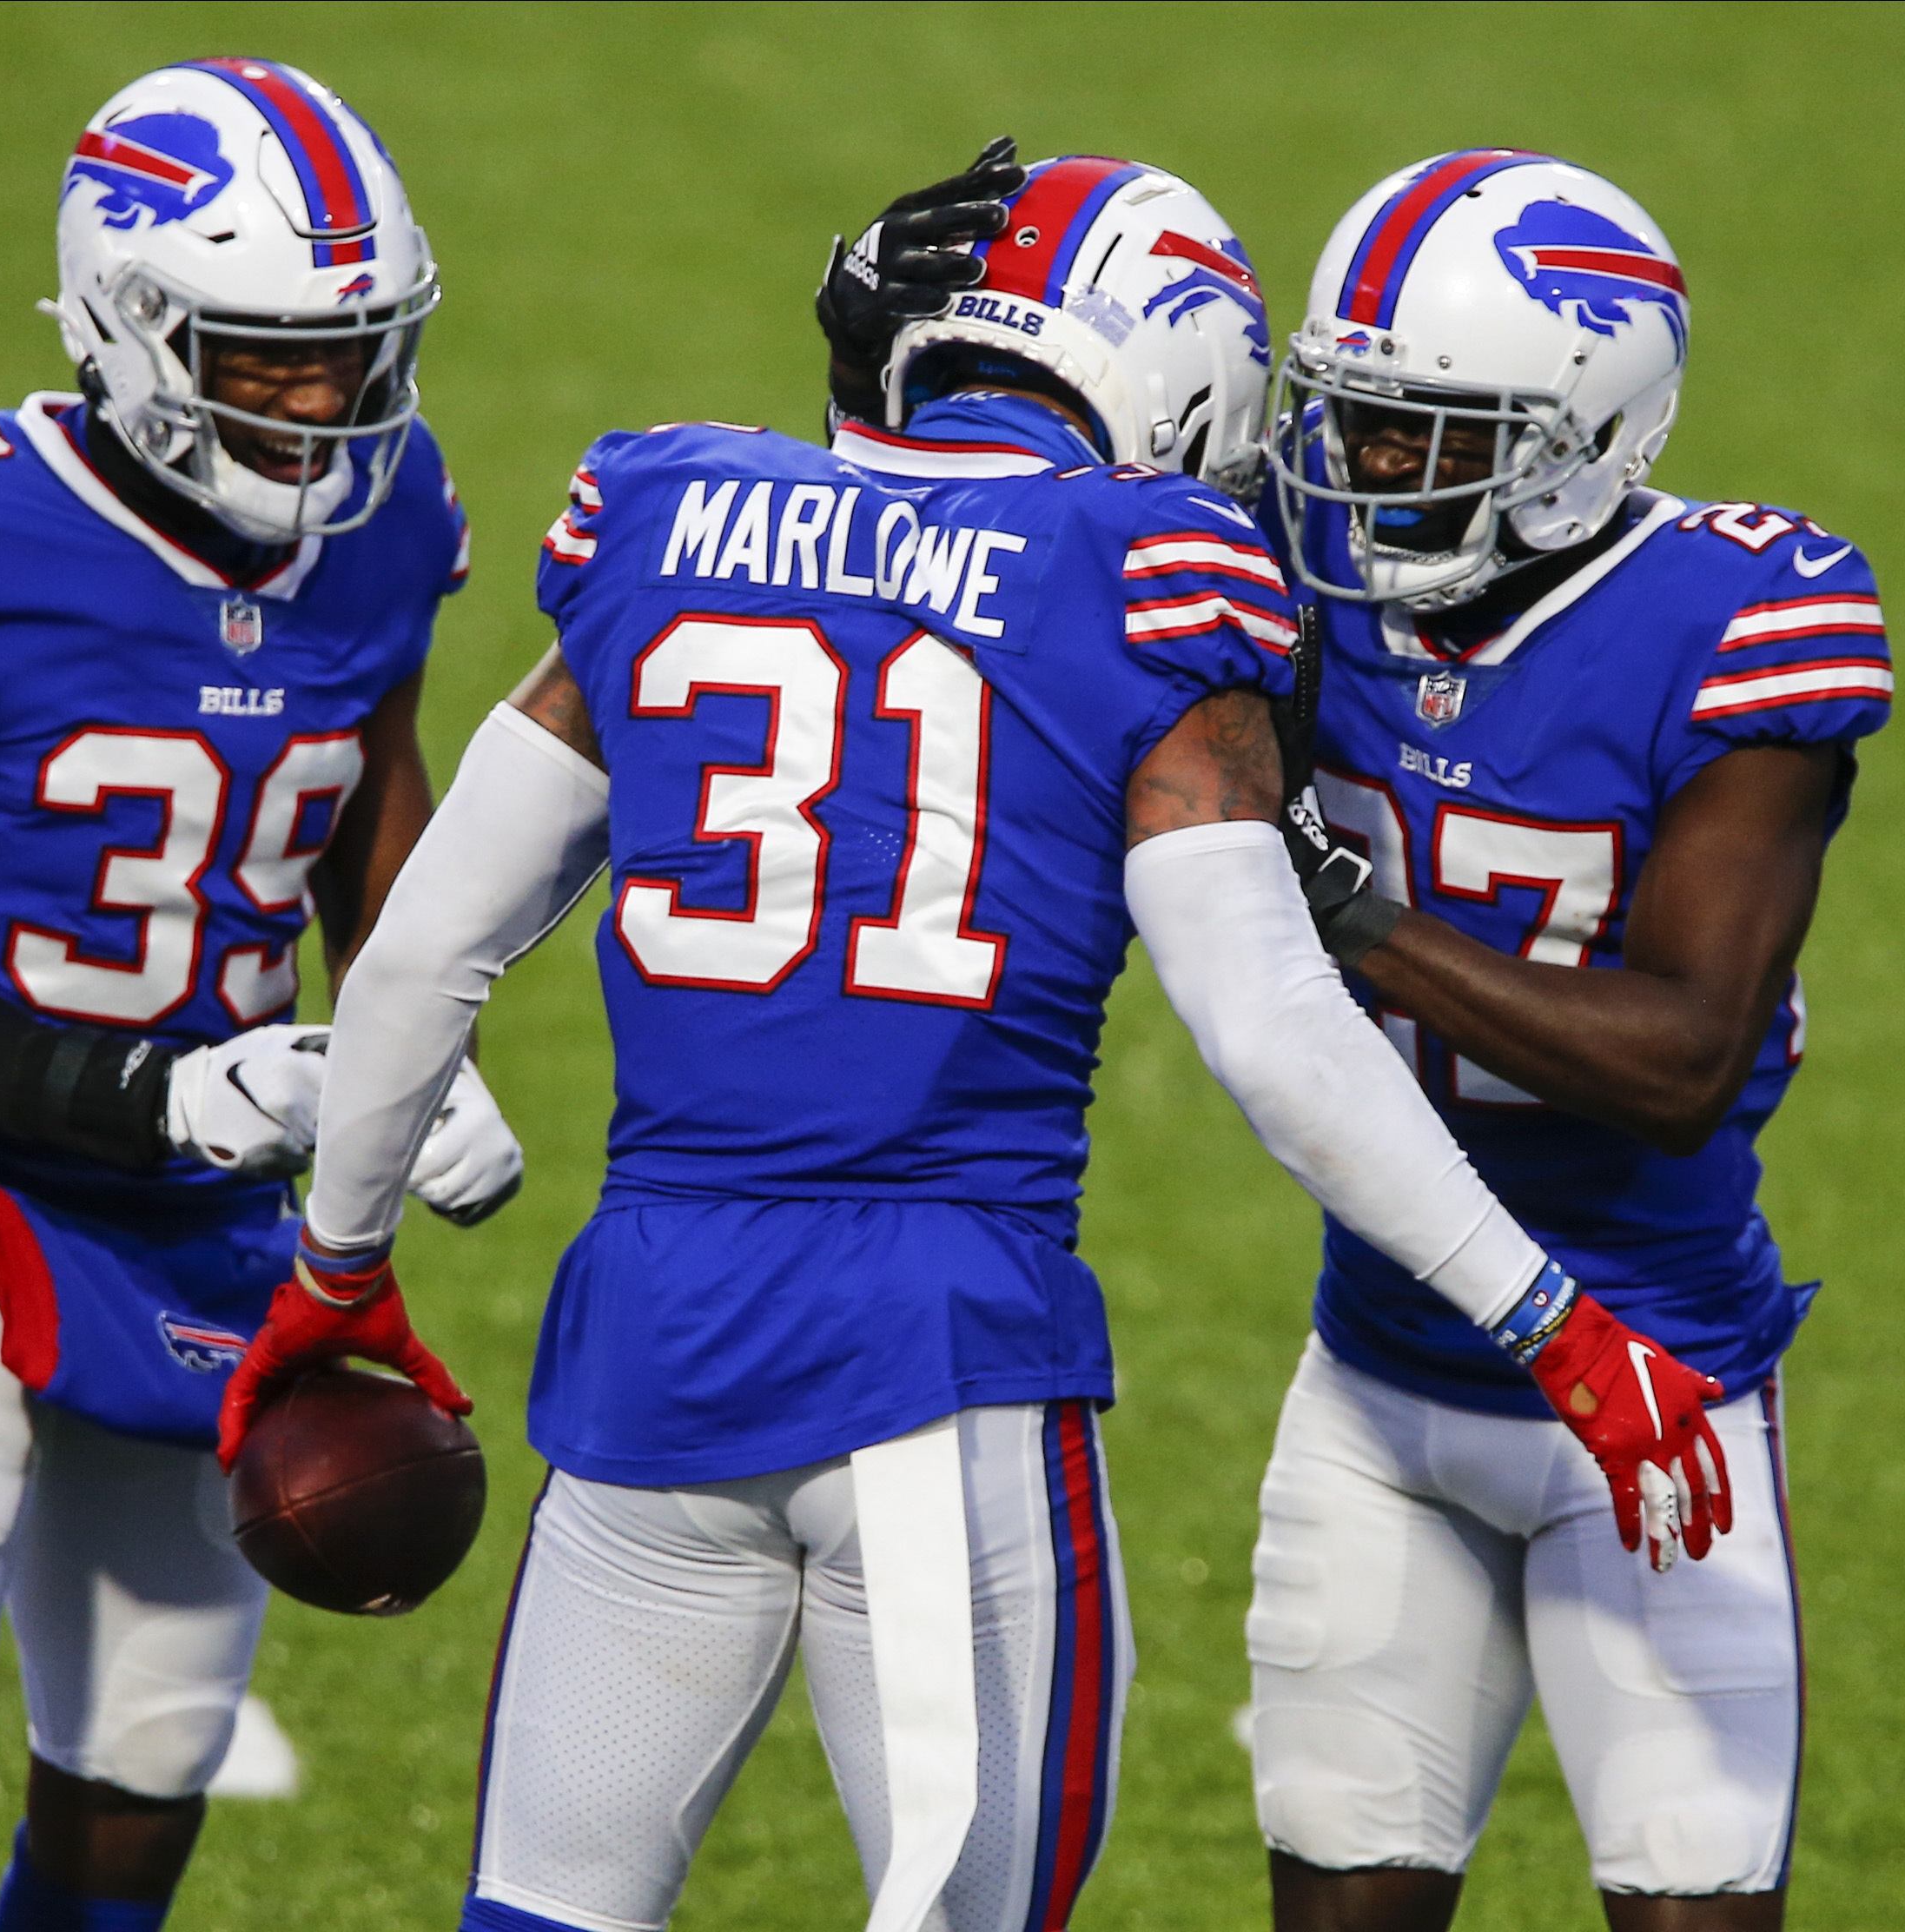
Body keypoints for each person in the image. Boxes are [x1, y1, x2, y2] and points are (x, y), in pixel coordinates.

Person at [224, 151, 1728, 1932]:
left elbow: (421, 955)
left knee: (543, 1910)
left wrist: (335, 1262)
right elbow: (1271, 1031)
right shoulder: (1150, 568)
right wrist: (1548, 1314)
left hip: (648, 1340)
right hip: (938, 1350)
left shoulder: (666, 506)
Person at [0, 59, 520, 1932]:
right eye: (269, 355)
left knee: (138, 1803)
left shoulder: (386, 529)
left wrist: (426, 1045)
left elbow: (369, 816)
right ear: (131, 319)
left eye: (356, 351)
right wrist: (151, 1095)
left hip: (211, 1239)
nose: (326, 399)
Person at [1235, 152, 1895, 1931]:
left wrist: (1360, 914)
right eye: (1355, 415)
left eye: (1424, 430)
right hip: (1378, 1385)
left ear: (1591, 431)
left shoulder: (1740, 624)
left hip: (1658, 1391)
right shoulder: (1301, 562)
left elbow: (1683, 1057)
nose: (1366, 467)